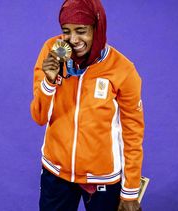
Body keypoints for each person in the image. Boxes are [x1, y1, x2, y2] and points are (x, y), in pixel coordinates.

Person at [30, 0, 144, 210]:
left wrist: (130, 191)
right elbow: (39, 116)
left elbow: (132, 133)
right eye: (66, 31)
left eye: (81, 31)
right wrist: (48, 82)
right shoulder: (52, 51)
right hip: (56, 172)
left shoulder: (123, 69)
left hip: (103, 178)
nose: (73, 40)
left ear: (97, 29)